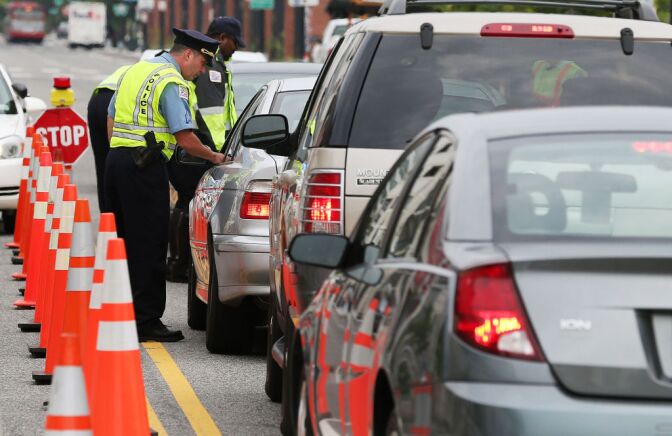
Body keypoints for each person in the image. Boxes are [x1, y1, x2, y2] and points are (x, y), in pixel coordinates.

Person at [105, 28, 226, 342]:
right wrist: (214, 156)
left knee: (124, 242)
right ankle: (146, 322)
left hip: (117, 163)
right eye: (201, 63)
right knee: (150, 243)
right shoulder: (172, 82)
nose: (201, 71)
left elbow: (110, 115)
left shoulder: (137, 69)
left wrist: (120, 149)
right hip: (145, 168)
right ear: (187, 54)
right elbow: (184, 137)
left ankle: (121, 313)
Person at [165, 17, 245, 282]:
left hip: (194, 142)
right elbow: (212, 115)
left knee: (186, 202)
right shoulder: (212, 67)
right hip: (199, 144)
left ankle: (177, 262)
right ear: (222, 38)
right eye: (234, 42)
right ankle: (180, 264)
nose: (236, 48)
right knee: (190, 201)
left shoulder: (216, 65)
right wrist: (218, 152)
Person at [87, 65, 130, 212]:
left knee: (103, 165)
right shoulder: (170, 74)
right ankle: (118, 220)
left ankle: (107, 221)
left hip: (97, 98)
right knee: (122, 163)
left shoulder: (141, 65)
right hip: (117, 100)